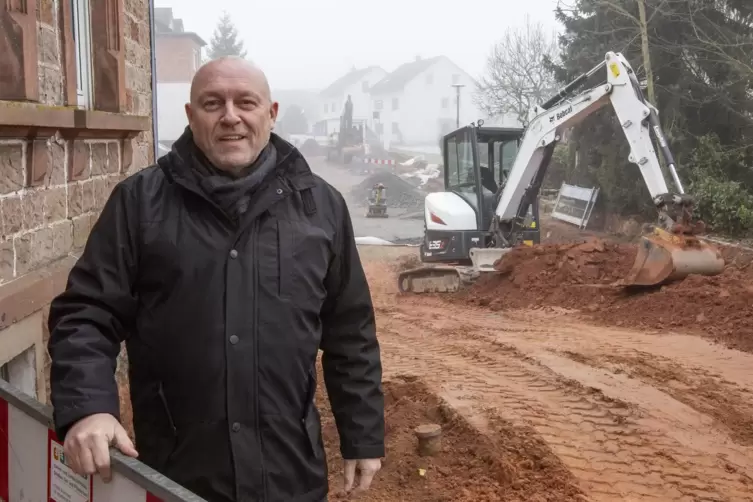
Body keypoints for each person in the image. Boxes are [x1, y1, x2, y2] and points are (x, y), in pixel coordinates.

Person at [47, 56, 385, 502]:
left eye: (246, 102)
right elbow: (87, 312)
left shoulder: (320, 207)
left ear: (272, 113)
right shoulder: (140, 203)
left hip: (289, 475)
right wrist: (87, 407)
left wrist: (361, 434)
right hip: (178, 475)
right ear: (190, 116)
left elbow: (350, 331)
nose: (231, 117)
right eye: (213, 103)